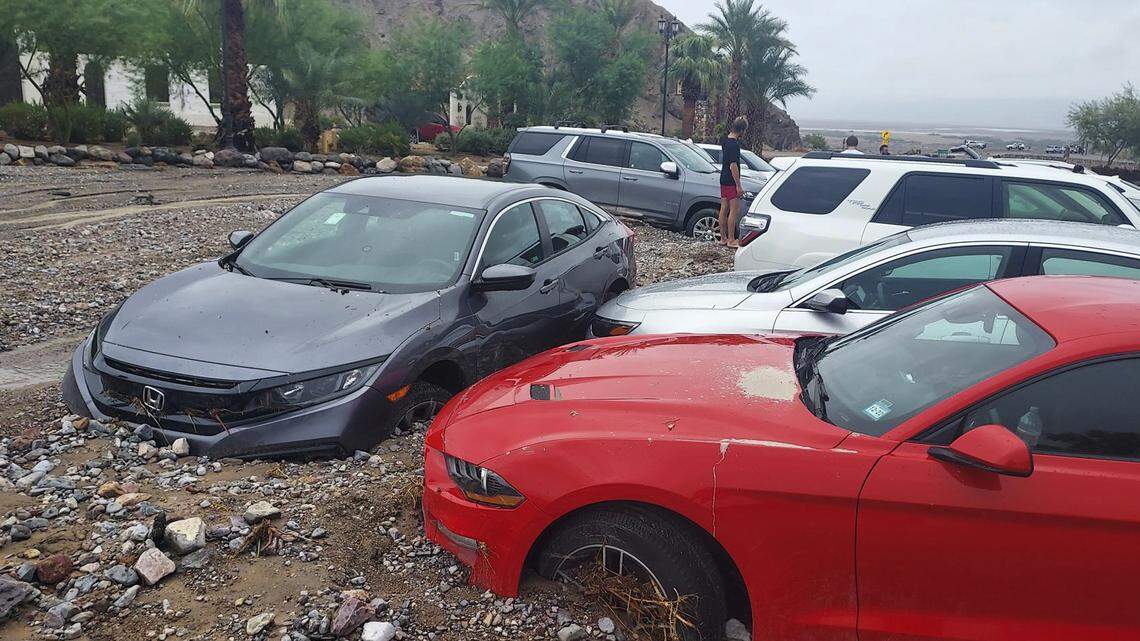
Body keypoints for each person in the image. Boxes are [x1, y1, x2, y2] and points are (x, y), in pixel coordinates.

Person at [717, 116, 748, 247]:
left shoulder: (725, 141)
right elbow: (733, 165)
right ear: (742, 130)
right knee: (734, 209)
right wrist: (738, 185)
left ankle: (722, 238)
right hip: (730, 180)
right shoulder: (734, 145)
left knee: (724, 207)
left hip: (723, 178)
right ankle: (731, 239)